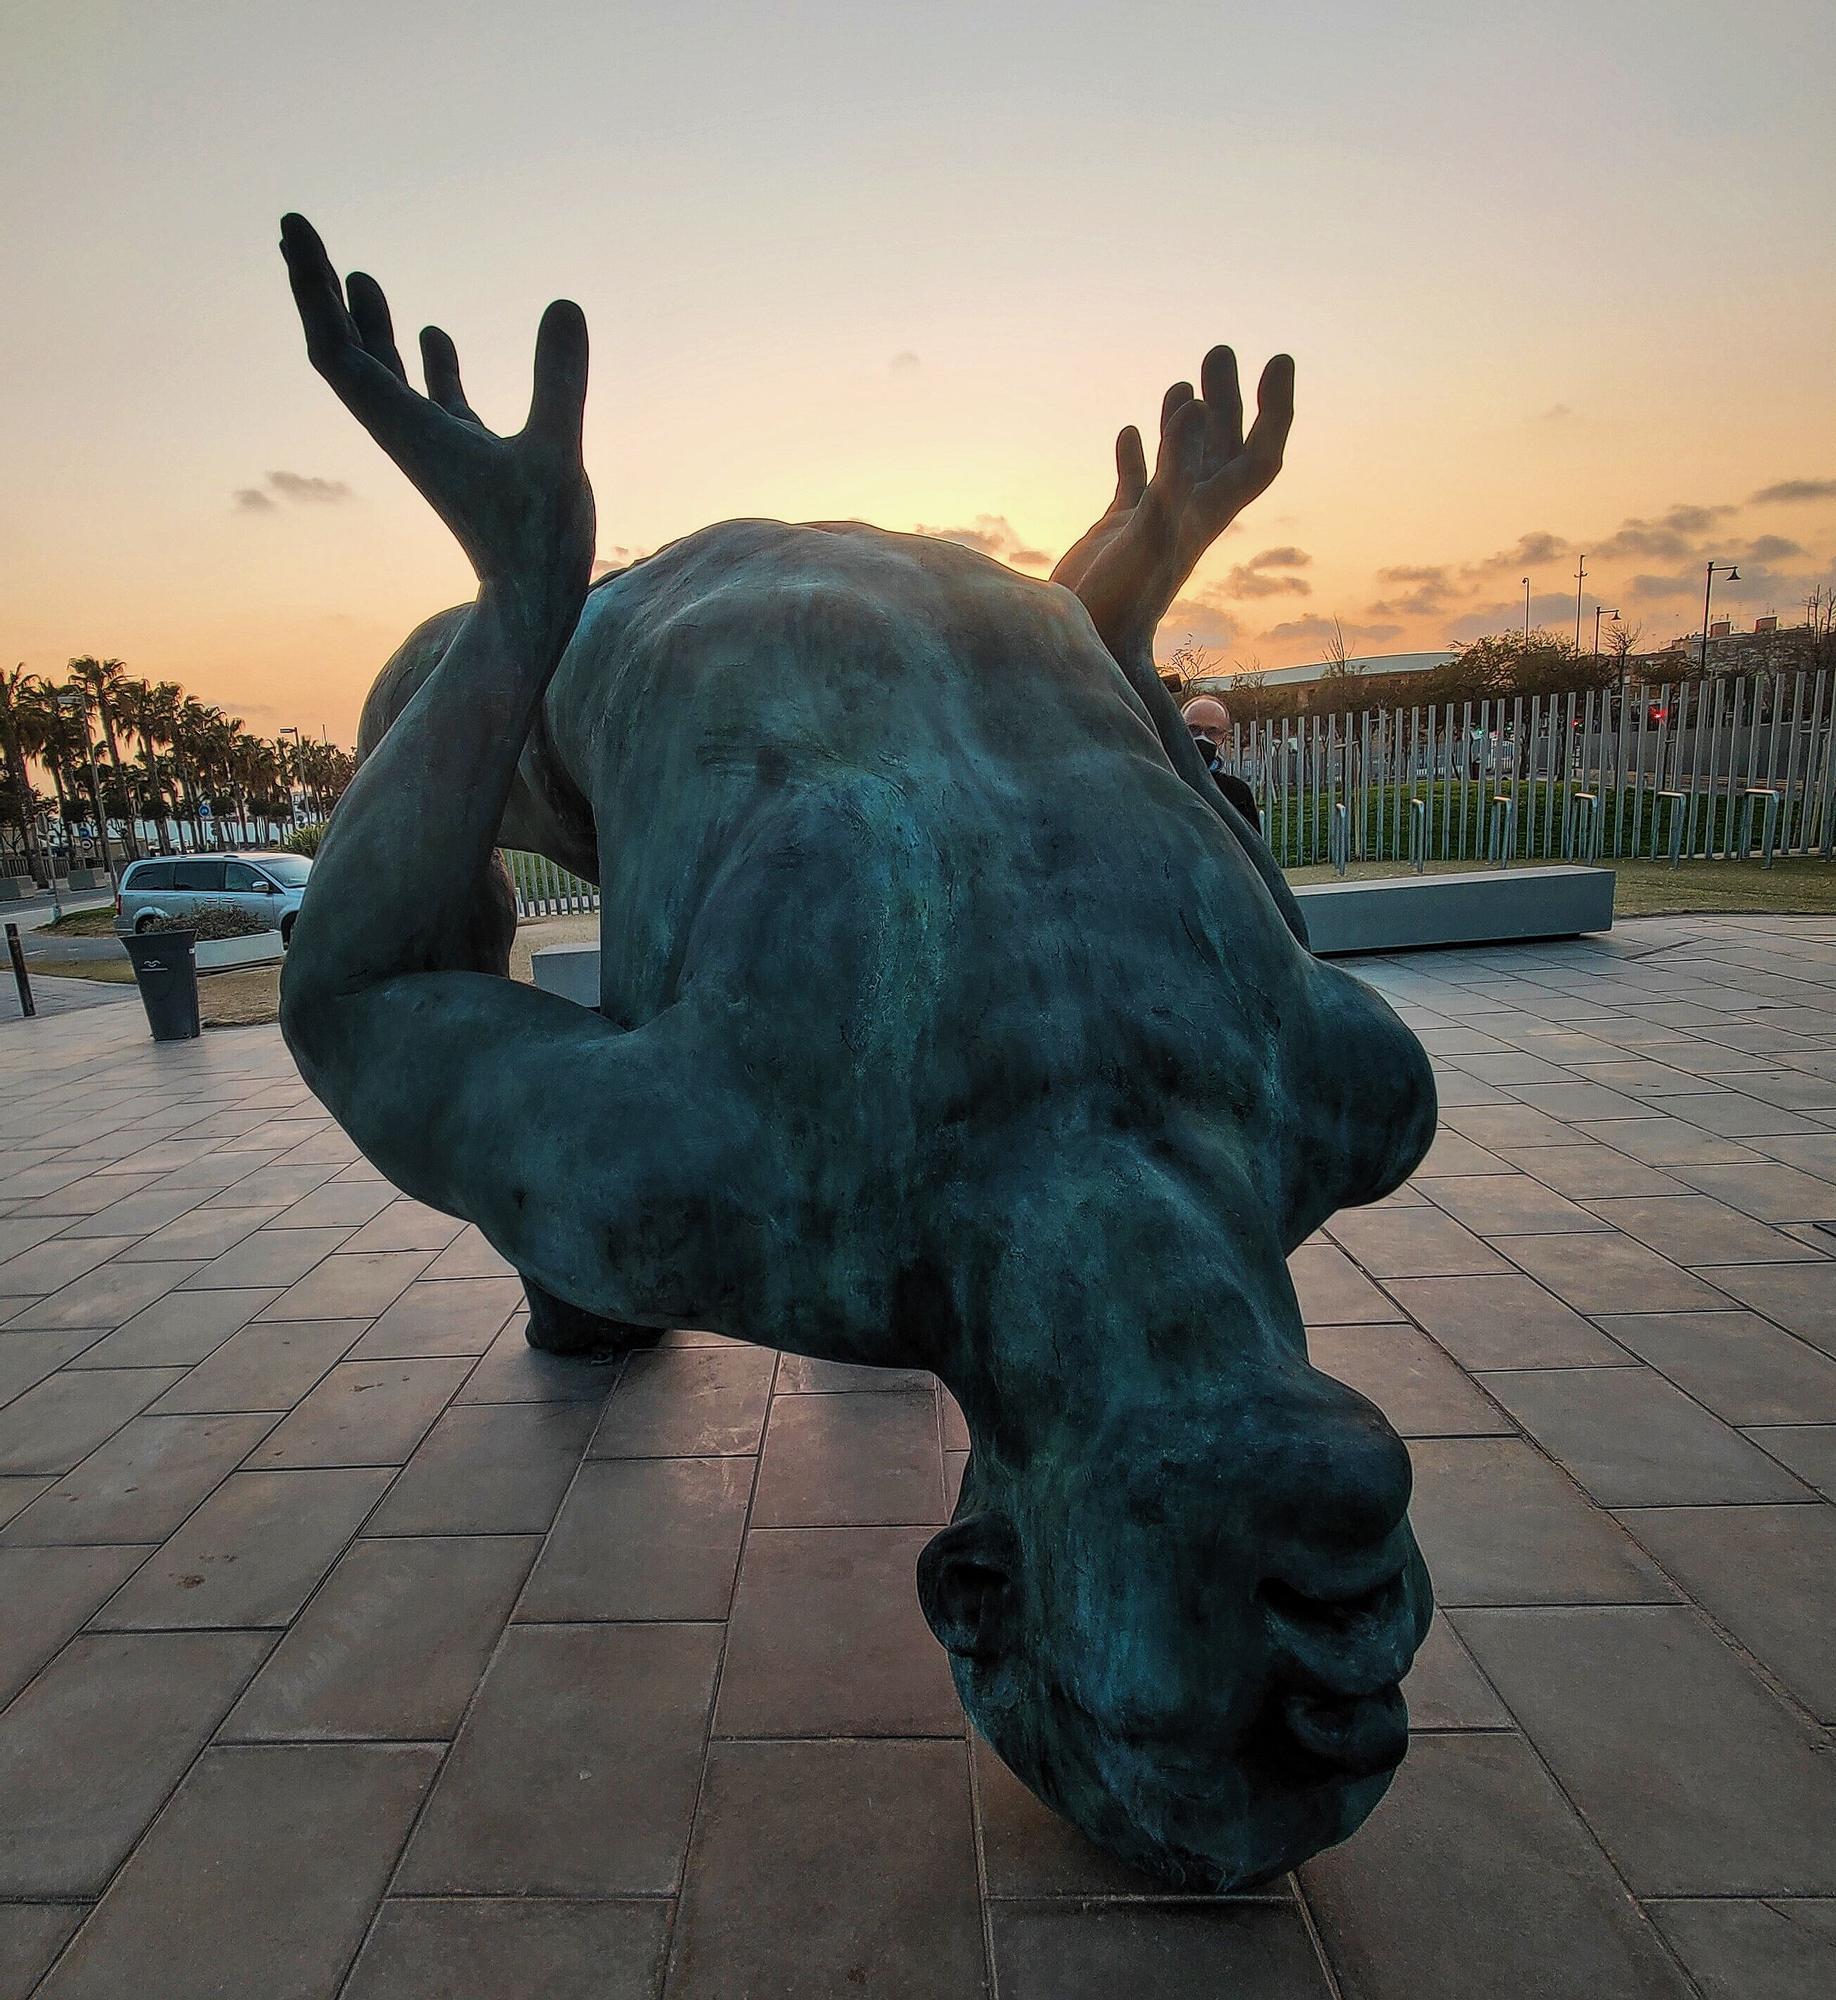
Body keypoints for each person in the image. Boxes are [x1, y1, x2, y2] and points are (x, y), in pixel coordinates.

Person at [1181, 694, 1261, 831]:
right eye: (1193, 729)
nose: (1201, 737)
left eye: (1213, 731)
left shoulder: (1237, 793)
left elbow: (1250, 846)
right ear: (1178, 729)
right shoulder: (1158, 782)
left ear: (1224, 737)